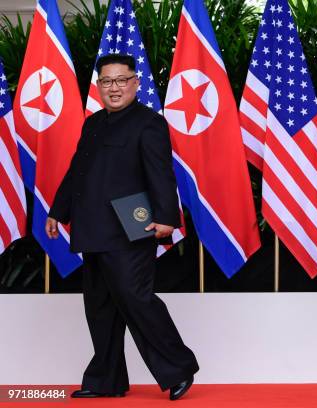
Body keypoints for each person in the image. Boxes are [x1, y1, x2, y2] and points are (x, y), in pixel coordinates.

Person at [46, 54, 198, 401]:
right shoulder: (94, 123)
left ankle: (178, 367)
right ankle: (105, 380)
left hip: (132, 226)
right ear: (98, 86)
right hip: (92, 229)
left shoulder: (149, 123)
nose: (113, 88)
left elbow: (160, 172)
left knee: (135, 297)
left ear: (135, 83)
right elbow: (78, 172)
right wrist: (58, 209)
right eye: (106, 81)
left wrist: (166, 217)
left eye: (120, 80)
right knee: (99, 306)